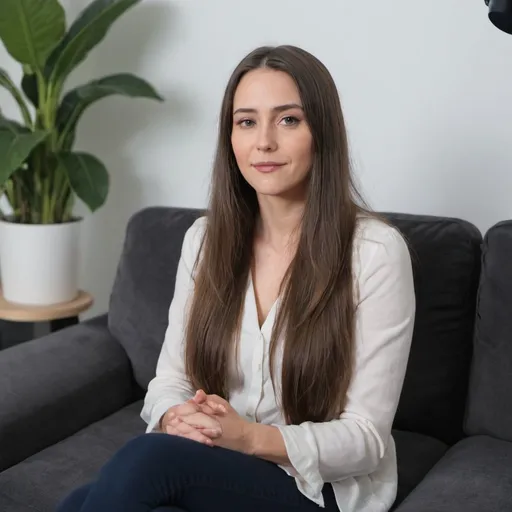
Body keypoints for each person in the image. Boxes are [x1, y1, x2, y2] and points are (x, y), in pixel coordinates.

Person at [56, 44, 415, 512]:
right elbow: (171, 379)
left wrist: (247, 437)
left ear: (322, 132)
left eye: (288, 120)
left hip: (317, 491)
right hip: (216, 467)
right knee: (79, 502)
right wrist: (176, 417)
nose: (263, 142)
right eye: (246, 121)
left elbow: (366, 438)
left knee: (148, 463)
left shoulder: (374, 253)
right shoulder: (205, 240)